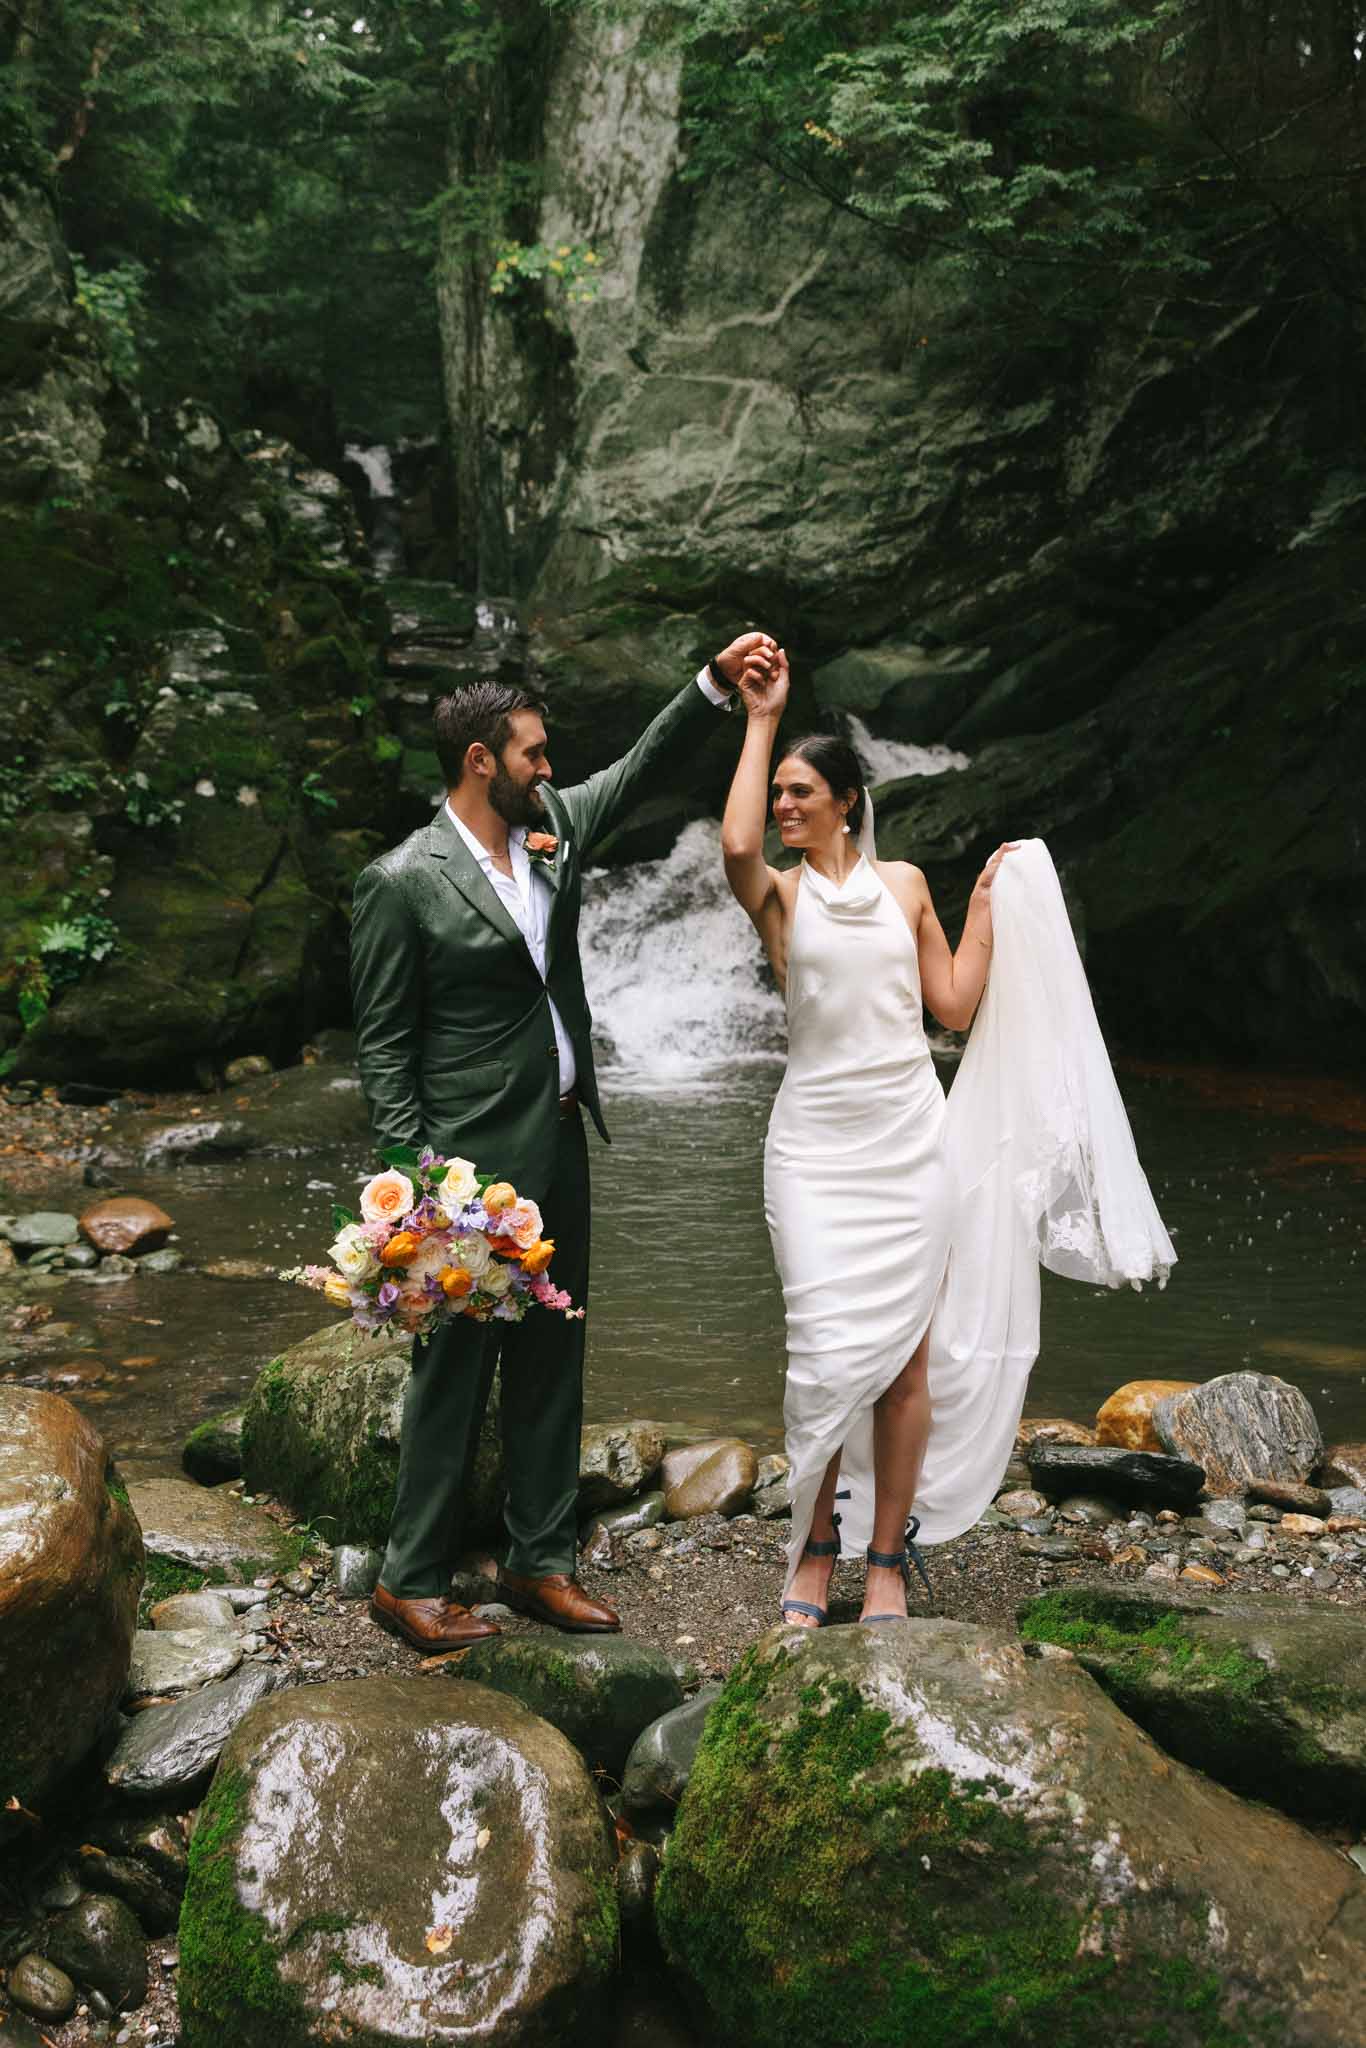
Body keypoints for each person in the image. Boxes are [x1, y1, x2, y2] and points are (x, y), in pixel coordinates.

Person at [722, 645, 1175, 1627]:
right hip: (810, 1150)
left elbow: (955, 1007)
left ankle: (883, 1558)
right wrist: (761, 721)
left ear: (847, 801)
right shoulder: (782, 897)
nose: (787, 806)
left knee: (905, 1368)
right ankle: (811, 1552)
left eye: (803, 791)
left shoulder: (908, 884)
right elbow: (733, 848)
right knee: (824, 1357)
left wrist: (979, 910)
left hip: (910, 1143)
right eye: (781, 793)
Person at [352, 633, 776, 1652]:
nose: (552, 767)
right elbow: (384, 1044)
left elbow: (641, 766)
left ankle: (541, 1559)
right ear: (480, 760)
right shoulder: (402, 880)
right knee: (453, 1371)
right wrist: (421, 1186)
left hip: (560, 1136)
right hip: (467, 1164)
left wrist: (716, 685)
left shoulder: (551, 828)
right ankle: (408, 1577)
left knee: (553, 1355)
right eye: (534, 752)